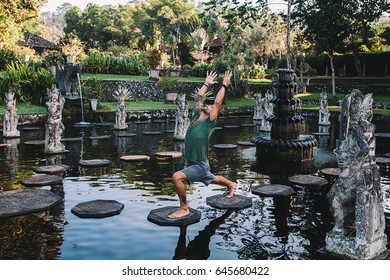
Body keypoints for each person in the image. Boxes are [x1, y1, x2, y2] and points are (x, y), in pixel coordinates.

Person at [168, 70, 236, 219]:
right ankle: (231, 184)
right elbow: (199, 98)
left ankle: (184, 208)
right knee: (212, 179)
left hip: (200, 165)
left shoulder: (209, 122)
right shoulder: (195, 118)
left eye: (211, 107)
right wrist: (206, 83)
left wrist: (224, 84)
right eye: (208, 105)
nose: (209, 106)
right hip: (195, 163)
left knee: (176, 177)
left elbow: (217, 103)